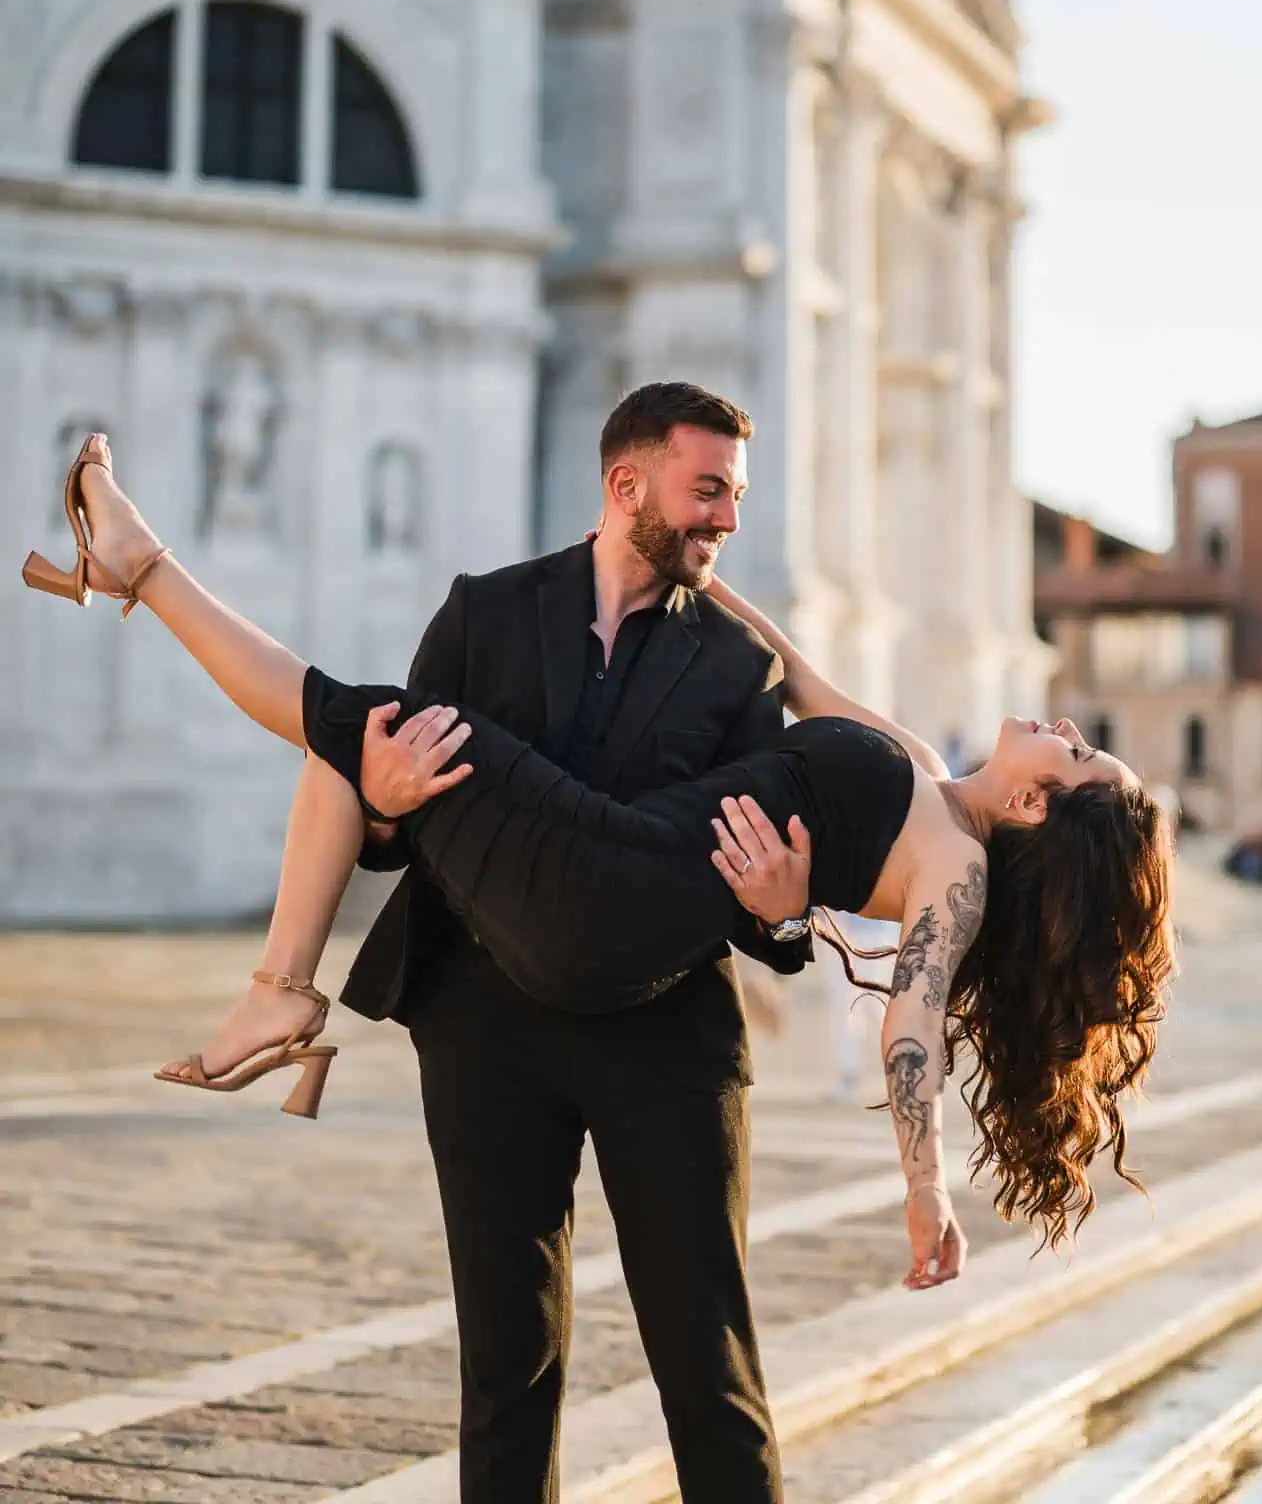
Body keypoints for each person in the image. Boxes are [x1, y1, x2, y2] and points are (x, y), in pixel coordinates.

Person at [26, 431, 1174, 1292]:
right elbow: (794, 671)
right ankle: (278, 989)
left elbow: (911, 1031)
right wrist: (681, 557)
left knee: (360, 719)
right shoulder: (921, 767)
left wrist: (925, 1193)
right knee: (364, 733)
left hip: (611, 895)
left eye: (1078, 754)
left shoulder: (959, 869)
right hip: (611, 853)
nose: (1065, 727)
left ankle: (142, 567)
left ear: (1036, 805)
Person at [23, 397, 811, 1504]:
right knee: (505, 1365)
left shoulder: (738, 664)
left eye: (734, 492)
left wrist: (783, 916)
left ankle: (142, 569)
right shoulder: (485, 610)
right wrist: (386, 806)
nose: (728, 516)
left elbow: (750, 873)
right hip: (486, 1026)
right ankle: (141, 563)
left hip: (664, 1036)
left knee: (708, 1365)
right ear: (626, 485)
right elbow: (402, 811)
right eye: (710, 489)